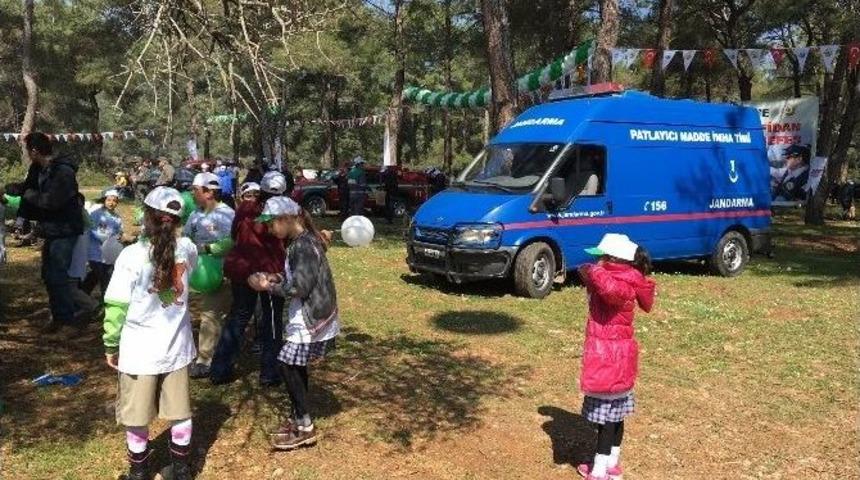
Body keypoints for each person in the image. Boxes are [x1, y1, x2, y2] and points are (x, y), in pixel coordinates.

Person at [103, 187, 197, 480]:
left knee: (136, 415)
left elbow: (116, 305)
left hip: (139, 349)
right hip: (177, 346)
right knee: (180, 411)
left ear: (147, 216)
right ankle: (181, 471)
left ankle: (139, 473)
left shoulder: (131, 255)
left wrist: (111, 343)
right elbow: (175, 288)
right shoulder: (188, 249)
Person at [249, 196, 339, 450]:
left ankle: (306, 427)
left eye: (271, 223)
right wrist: (276, 277)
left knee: (287, 364)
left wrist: (268, 286)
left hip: (312, 317)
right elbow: (296, 276)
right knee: (295, 365)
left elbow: (300, 287)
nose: (269, 229)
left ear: (287, 219)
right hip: (307, 314)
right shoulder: (298, 242)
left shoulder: (303, 245)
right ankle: (299, 418)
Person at [574, 233, 656, 480]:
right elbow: (589, 276)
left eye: (601, 257)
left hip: (608, 357)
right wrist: (592, 272)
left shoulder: (618, 284)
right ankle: (612, 464)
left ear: (612, 259)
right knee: (617, 415)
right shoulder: (628, 279)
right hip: (621, 356)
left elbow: (609, 290)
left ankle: (599, 471)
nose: (596, 262)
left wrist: (596, 271)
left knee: (607, 420)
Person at [211, 173, 288, 386]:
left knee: (239, 316)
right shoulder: (283, 211)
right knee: (271, 321)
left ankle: (220, 370)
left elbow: (235, 234)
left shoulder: (245, 209)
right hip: (269, 271)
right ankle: (269, 373)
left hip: (243, 268)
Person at [3, 132, 84, 331]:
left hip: (65, 229)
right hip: (51, 228)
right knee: (48, 274)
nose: (27, 154)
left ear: (34, 151)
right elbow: (28, 189)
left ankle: (66, 321)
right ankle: (58, 316)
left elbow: (52, 201)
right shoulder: (37, 168)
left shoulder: (63, 172)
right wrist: (14, 189)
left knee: (57, 274)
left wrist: (27, 193)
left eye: (27, 150)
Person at [183, 172, 235, 378]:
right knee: (211, 314)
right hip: (202, 274)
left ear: (209, 192)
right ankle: (214, 355)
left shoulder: (227, 215)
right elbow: (187, 237)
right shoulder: (195, 215)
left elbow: (234, 240)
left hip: (223, 273)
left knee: (211, 314)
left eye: (195, 190)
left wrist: (208, 248)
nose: (192, 194)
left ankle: (205, 360)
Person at [83, 189, 124, 300]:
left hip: (108, 253)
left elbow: (119, 232)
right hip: (95, 251)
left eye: (114, 201)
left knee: (96, 276)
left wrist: (119, 237)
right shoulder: (96, 214)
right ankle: (105, 299)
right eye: (109, 200)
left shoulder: (117, 218)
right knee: (104, 276)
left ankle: (82, 294)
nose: (111, 203)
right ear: (104, 201)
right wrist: (102, 238)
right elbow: (90, 228)